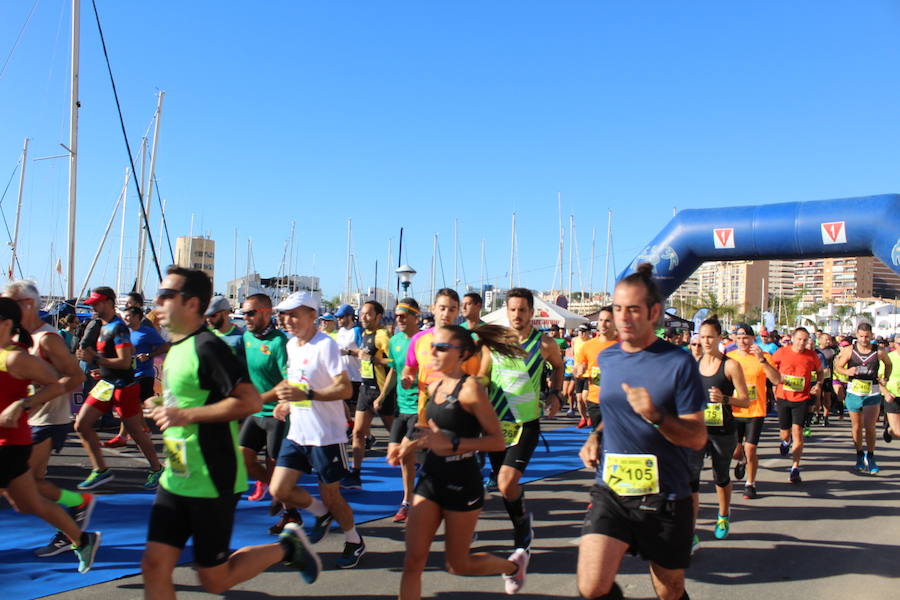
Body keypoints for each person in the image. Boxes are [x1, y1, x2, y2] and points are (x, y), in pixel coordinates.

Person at [141, 268, 320, 598]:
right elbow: (183, 398)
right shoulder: (175, 348)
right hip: (176, 475)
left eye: (167, 296)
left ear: (192, 304)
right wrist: (157, 404)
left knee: (215, 580)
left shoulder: (209, 347)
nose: (158, 302)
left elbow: (250, 401)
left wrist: (184, 414)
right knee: (153, 565)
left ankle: (288, 547)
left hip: (211, 478)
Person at [577, 263, 706, 600]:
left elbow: (696, 437)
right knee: (592, 586)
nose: (623, 318)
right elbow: (614, 409)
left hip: (664, 496)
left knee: (670, 589)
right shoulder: (608, 358)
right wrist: (596, 436)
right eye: (618, 309)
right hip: (613, 489)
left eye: (633, 309)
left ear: (654, 312)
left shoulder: (679, 363)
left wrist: (656, 416)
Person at [391, 324, 532, 598]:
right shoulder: (433, 385)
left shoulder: (471, 390)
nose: (433, 352)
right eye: (432, 345)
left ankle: (513, 567)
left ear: (462, 354)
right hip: (431, 479)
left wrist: (453, 443)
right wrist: (406, 444)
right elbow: (426, 429)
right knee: (412, 562)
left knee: (458, 565)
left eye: (442, 348)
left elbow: (496, 441)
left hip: (462, 483)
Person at [0, 297, 101, 573]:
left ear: (7, 324)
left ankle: (81, 528)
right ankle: (82, 539)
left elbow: (59, 383)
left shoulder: (17, 357)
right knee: (26, 504)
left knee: (29, 500)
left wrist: (22, 404)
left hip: (10, 442)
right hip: (8, 441)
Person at [268, 291, 365, 569]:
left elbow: (345, 389)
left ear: (312, 316)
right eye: (284, 315)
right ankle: (321, 514)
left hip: (326, 436)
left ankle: (354, 540)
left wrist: (308, 395)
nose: (288, 320)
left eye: (294, 314)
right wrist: (286, 403)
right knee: (280, 489)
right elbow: (295, 380)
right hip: (297, 433)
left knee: (332, 496)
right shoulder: (290, 346)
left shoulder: (326, 345)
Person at [480, 288, 562, 552]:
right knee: (505, 485)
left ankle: (521, 527)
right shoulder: (495, 342)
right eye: (513, 309)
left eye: (522, 309)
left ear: (531, 312)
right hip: (495, 425)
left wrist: (555, 394)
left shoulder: (544, 343)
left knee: (506, 481)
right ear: (507, 311)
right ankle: (522, 521)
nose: (517, 314)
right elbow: (482, 375)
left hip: (525, 424)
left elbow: (559, 366)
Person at [73, 286, 162, 490]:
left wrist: (94, 358)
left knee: (136, 433)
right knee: (81, 424)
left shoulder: (118, 328)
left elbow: (123, 362)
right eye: (92, 304)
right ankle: (100, 470)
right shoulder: (102, 326)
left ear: (109, 303)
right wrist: (101, 369)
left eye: (97, 303)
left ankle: (157, 468)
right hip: (107, 384)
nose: (94, 307)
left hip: (124, 387)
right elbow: (122, 358)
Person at [238, 294, 290, 522]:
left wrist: (269, 398)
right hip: (255, 412)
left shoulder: (279, 342)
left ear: (266, 313)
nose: (245, 317)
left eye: (250, 313)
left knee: (275, 469)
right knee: (242, 459)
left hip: (276, 414)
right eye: (243, 313)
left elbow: (289, 380)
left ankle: (289, 512)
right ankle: (277, 492)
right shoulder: (247, 337)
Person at [696, 318, 748, 540]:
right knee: (690, 477)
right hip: (697, 429)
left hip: (723, 429)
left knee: (720, 476)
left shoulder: (730, 365)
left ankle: (723, 515)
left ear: (719, 338)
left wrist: (725, 399)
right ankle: (690, 528)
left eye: (710, 336)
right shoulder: (694, 363)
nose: (706, 341)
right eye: (703, 336)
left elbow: (745, 400)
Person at [401, 289, 483, 423]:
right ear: (433, 309)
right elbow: (409, 368)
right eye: (442, 308)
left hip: (457, 419)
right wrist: (407, 378)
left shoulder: (468, 343)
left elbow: (477, 381)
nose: (446, 314)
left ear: (457, 312)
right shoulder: (419, 339)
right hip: (425, 416)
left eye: (452, 309)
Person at [376, 298, 421, 523]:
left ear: (416, 316)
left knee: (404, 455)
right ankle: (413, 492)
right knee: (395, 458)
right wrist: (383, 395)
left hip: (420, 406)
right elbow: (394, 370)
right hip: (401, 407)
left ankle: (407, 501)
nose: (399, 320)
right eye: (397, 316)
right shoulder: (395, 341)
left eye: (404, 316)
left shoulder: (425, 341)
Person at [727, 323, 781, 500]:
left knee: (750, 449)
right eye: (739, 337)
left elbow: (775, 380)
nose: (742, 341)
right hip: (734, 409)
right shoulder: (729, 356)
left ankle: (750, 484)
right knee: (735, 451)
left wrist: (762, 360)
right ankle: (741, 460)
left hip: (755, 410)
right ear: (734, 338)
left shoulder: (764, 356)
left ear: (753, 339)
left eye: (746, 338)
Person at [345, 300, 394, 490]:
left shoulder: (383, 336)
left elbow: (394, 362)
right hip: (366, 389)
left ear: (378, 316)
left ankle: (420, 463)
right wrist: (349, 352)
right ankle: (355, 474)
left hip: (383, 391)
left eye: (367, 314)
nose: (363, 317)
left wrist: (374, 359)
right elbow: (363, 354)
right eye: (362, 313)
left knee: (395, 434)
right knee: (357, 432)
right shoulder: (365, 334)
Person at [103, 306, 168, 449]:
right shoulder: (123, 332)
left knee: (132, 405)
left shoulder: (148, 332)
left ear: (138, 317)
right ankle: (143, 429)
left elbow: (165, 346)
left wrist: (149, 355)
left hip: (144, 374)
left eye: (129, 316)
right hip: (128, 373)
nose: (126, 318)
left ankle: (125, 435)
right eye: (125, 316)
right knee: (132, 406)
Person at [833, 323, 892, 474]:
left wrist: (885, 378)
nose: (864, 339)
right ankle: (859, 454)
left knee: (870, 426)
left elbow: (888, 364)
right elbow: (838, 367)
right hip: (854, 392)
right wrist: (848, 371)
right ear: (856, 335)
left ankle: (871, 457)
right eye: (861, 336)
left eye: (867, 336)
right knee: (857, 426)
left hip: (872, 391)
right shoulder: (849, 351)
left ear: (871, 336)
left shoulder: (878, 352)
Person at [772, 327, 821, 483]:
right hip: (783, 397)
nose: (802, 342)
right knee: (785, 433)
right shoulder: (782, 352)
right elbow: (771, 368)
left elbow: (820, 371)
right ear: (792, 338)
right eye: (799, 339)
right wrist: (777, 379)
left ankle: (795, 468)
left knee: (798, 431)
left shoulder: (811, 356)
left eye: (805, 340)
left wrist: (818, 384)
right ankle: (785, 442)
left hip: (802, 398)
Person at [575, 305, 618, 430]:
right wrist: (578, 369)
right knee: (599, 438)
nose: (603, 324)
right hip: (595, 400)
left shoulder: (624, 345)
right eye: (601, 320)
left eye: (607, 321)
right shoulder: (588, 346)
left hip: (617, 400)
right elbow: (579, 365)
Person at [335, 304, 363, 417]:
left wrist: (348, 352)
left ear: (349, 317)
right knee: (342, 409)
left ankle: (363, 433)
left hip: (356, 377)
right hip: (343, 376)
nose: (338, 319)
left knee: (354, 412)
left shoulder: (357, 331)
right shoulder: (340, 331)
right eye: (337, 317)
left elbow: (364, 353)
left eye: (341, 317)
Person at [572, 324, 592, 426]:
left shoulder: (592, 342)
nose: (581, 333)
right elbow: (572, 355)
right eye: (580, 331)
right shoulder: (575, 341)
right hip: (577, 374)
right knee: (579, 399)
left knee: (585, 398)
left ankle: (591, 416)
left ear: (589, 332)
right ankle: (583, 418)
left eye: (584, 331)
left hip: (589, 374)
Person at [882, 334, 900, 443]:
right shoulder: (889, 358)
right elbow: (879, 379)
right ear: (894, 344)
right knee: (898, 432)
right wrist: (886, 393)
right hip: (892, 396)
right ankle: (889, 430)